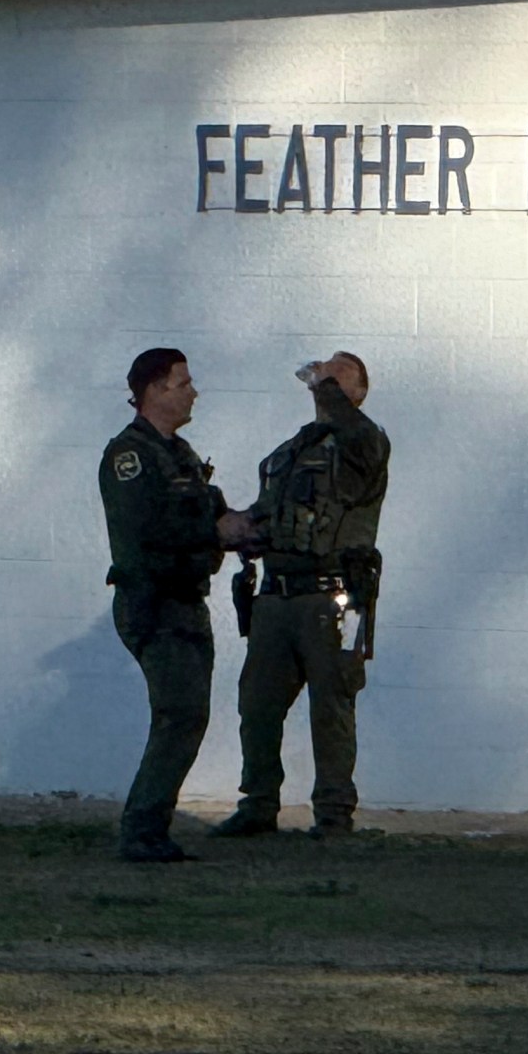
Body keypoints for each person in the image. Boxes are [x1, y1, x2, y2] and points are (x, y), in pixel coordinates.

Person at [213, 352, 390, 839]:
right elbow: (271, 511)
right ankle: (257, 803)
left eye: (338, 378)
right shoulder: (291, 451)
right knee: (258, 704)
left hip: (330, 597)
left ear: (356, 393)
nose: (324, 382)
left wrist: (323, 384)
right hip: (276, 595)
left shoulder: (363, 445)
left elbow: (355, 432)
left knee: (330, 708)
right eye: (323, 375)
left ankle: (333, 814)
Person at [101, 348, 257, 863]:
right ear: (154, 391)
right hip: (155, 602)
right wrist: (212, 531)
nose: (194, 392)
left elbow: (212, 512)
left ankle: (150, 827)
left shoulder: (182, 454)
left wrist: (246, 526)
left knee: (187, 716)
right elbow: (146, 529)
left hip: (188, 601)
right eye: (183, 383)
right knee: (179, 714)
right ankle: (142, 831)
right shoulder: (130, 456)